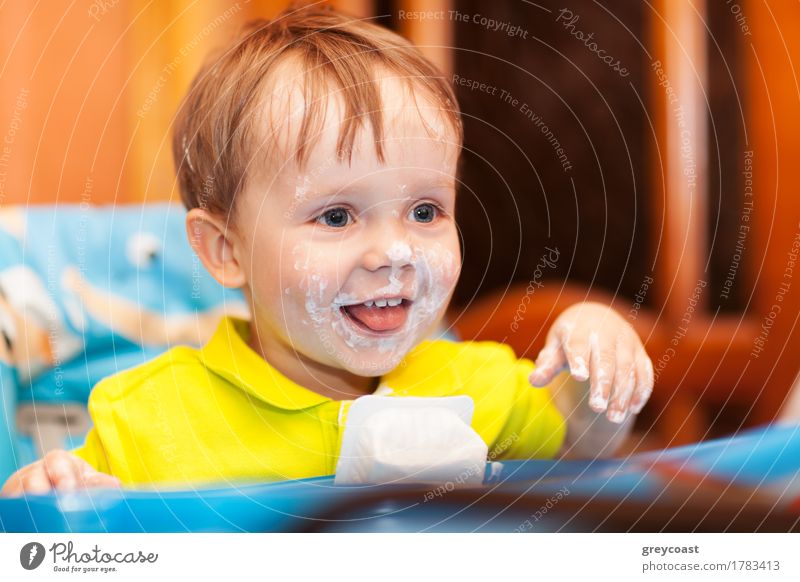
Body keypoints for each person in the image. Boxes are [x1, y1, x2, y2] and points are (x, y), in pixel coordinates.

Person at [1, 4, 653, 495]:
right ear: (225, 250)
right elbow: (59, 538)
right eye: (337, 215)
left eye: (425, 210)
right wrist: (57, 502)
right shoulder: (146, 419)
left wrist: (597, 377)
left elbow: (585, 453)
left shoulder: (471, 383)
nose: (395, 250)